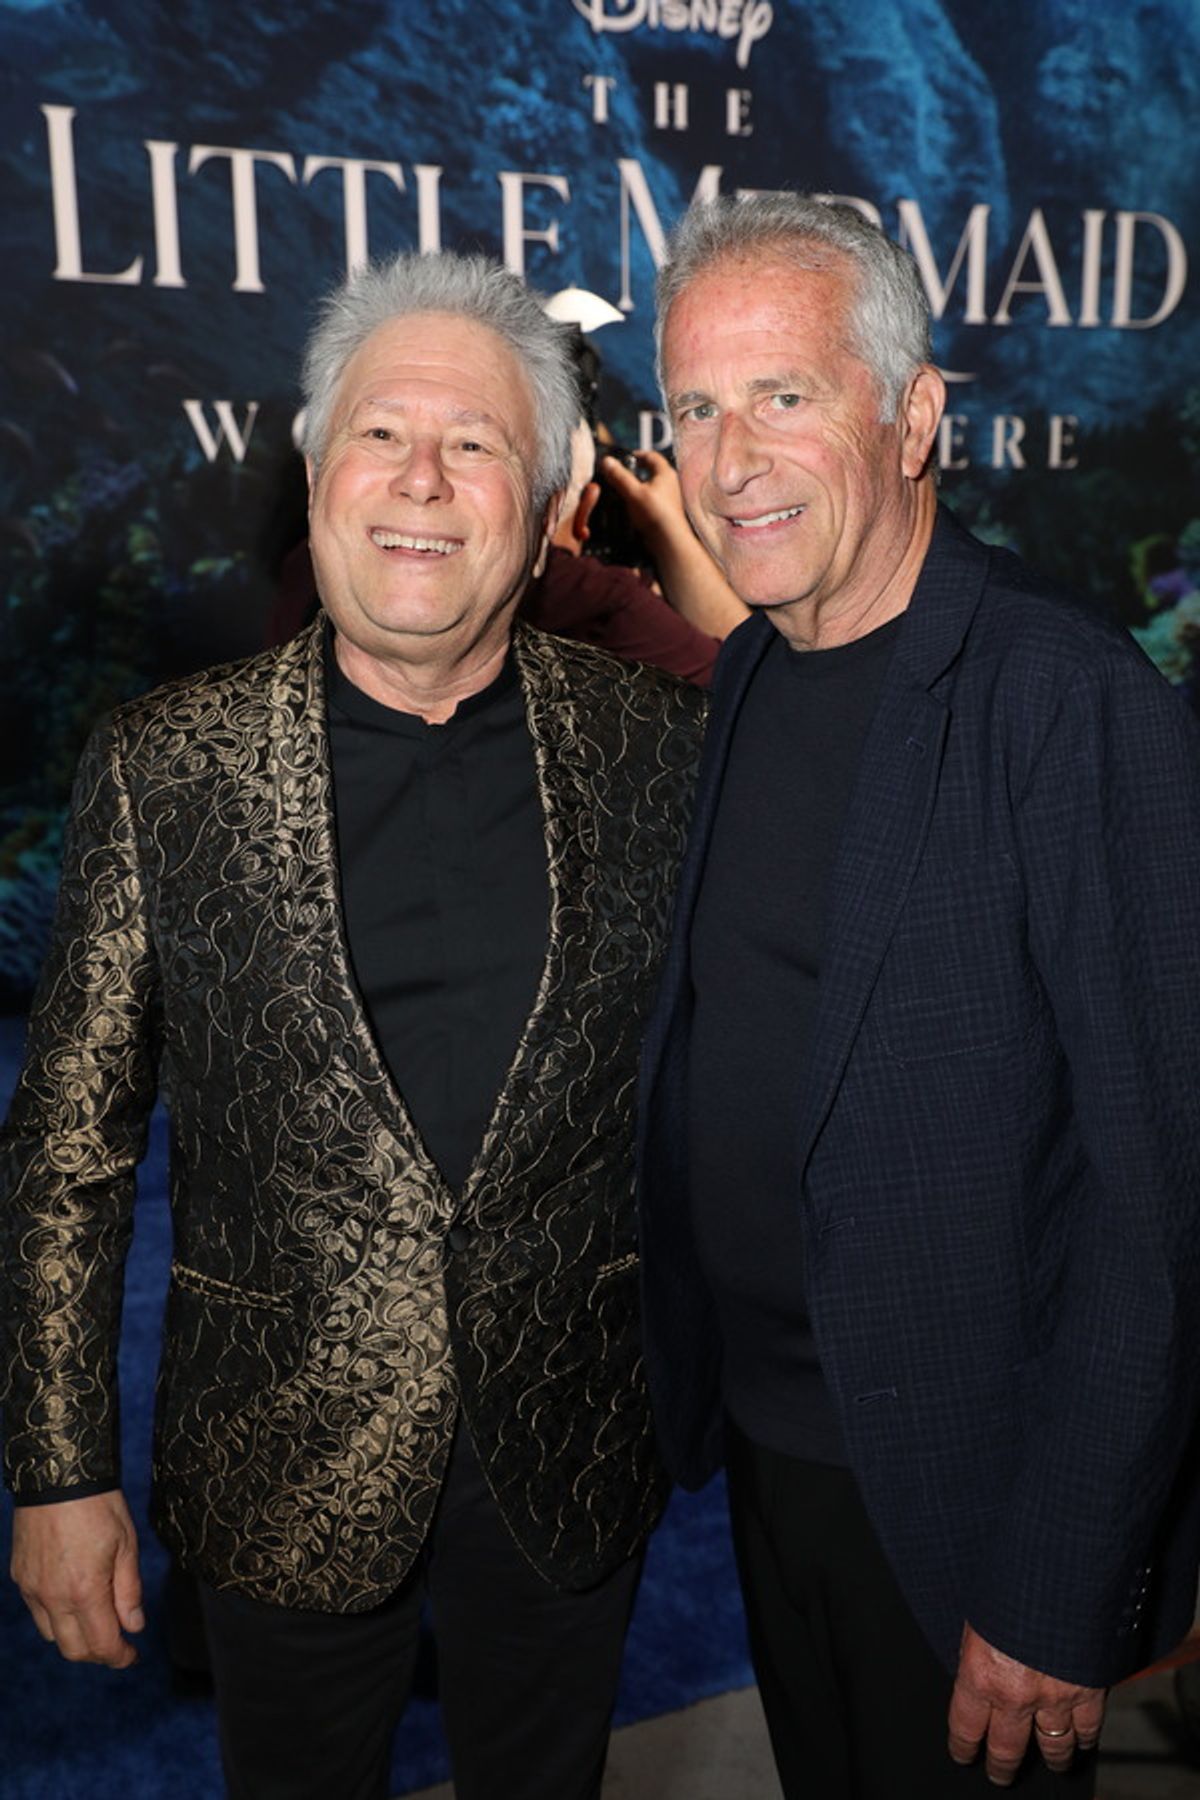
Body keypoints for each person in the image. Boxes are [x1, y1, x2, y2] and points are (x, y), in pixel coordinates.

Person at [1, 249, 706, 1800]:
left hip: (569, 1444)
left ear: (546, 507)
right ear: (318, 475)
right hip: (281, 1446)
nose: (423, 479)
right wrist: (58, 1474)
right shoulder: (164, 768)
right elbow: (67, 1154)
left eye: (475, 443)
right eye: (382, 433)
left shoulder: (662, 749)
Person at [636, 191, 1200, 1799]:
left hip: (972, 1498)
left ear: (914, 417)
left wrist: (1060, 1578)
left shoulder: (1069, 702)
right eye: (696, 408)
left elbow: (1164, 1202)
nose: (730, 460)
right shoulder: (754, 664)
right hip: (777, 1457)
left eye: (784, 395)